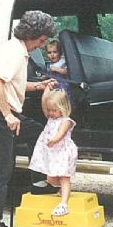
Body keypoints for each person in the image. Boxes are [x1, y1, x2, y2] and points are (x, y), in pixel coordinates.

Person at [0, 10, 59, 227]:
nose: (42, 45)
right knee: (0, 171)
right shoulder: (14, 51)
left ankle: (38, 183)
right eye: (42, 40)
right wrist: (8, 116)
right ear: (31, 34)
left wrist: (38, 86)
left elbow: (12, 84)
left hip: (4, 110)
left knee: (38, 134)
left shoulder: (20, 51)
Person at [29, 88, 78, 216]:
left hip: (63, 152)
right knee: (50, 178)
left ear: (63, 108)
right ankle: (63, 190)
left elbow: (61, 133)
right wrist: (46, 90)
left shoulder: (66, 121)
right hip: (53, 153)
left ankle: (63, 204)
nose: (50, 113)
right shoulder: (51, 118)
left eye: (54, 110)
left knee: (64, 177)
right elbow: (44, 104)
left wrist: (53, 140)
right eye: (49, 110)